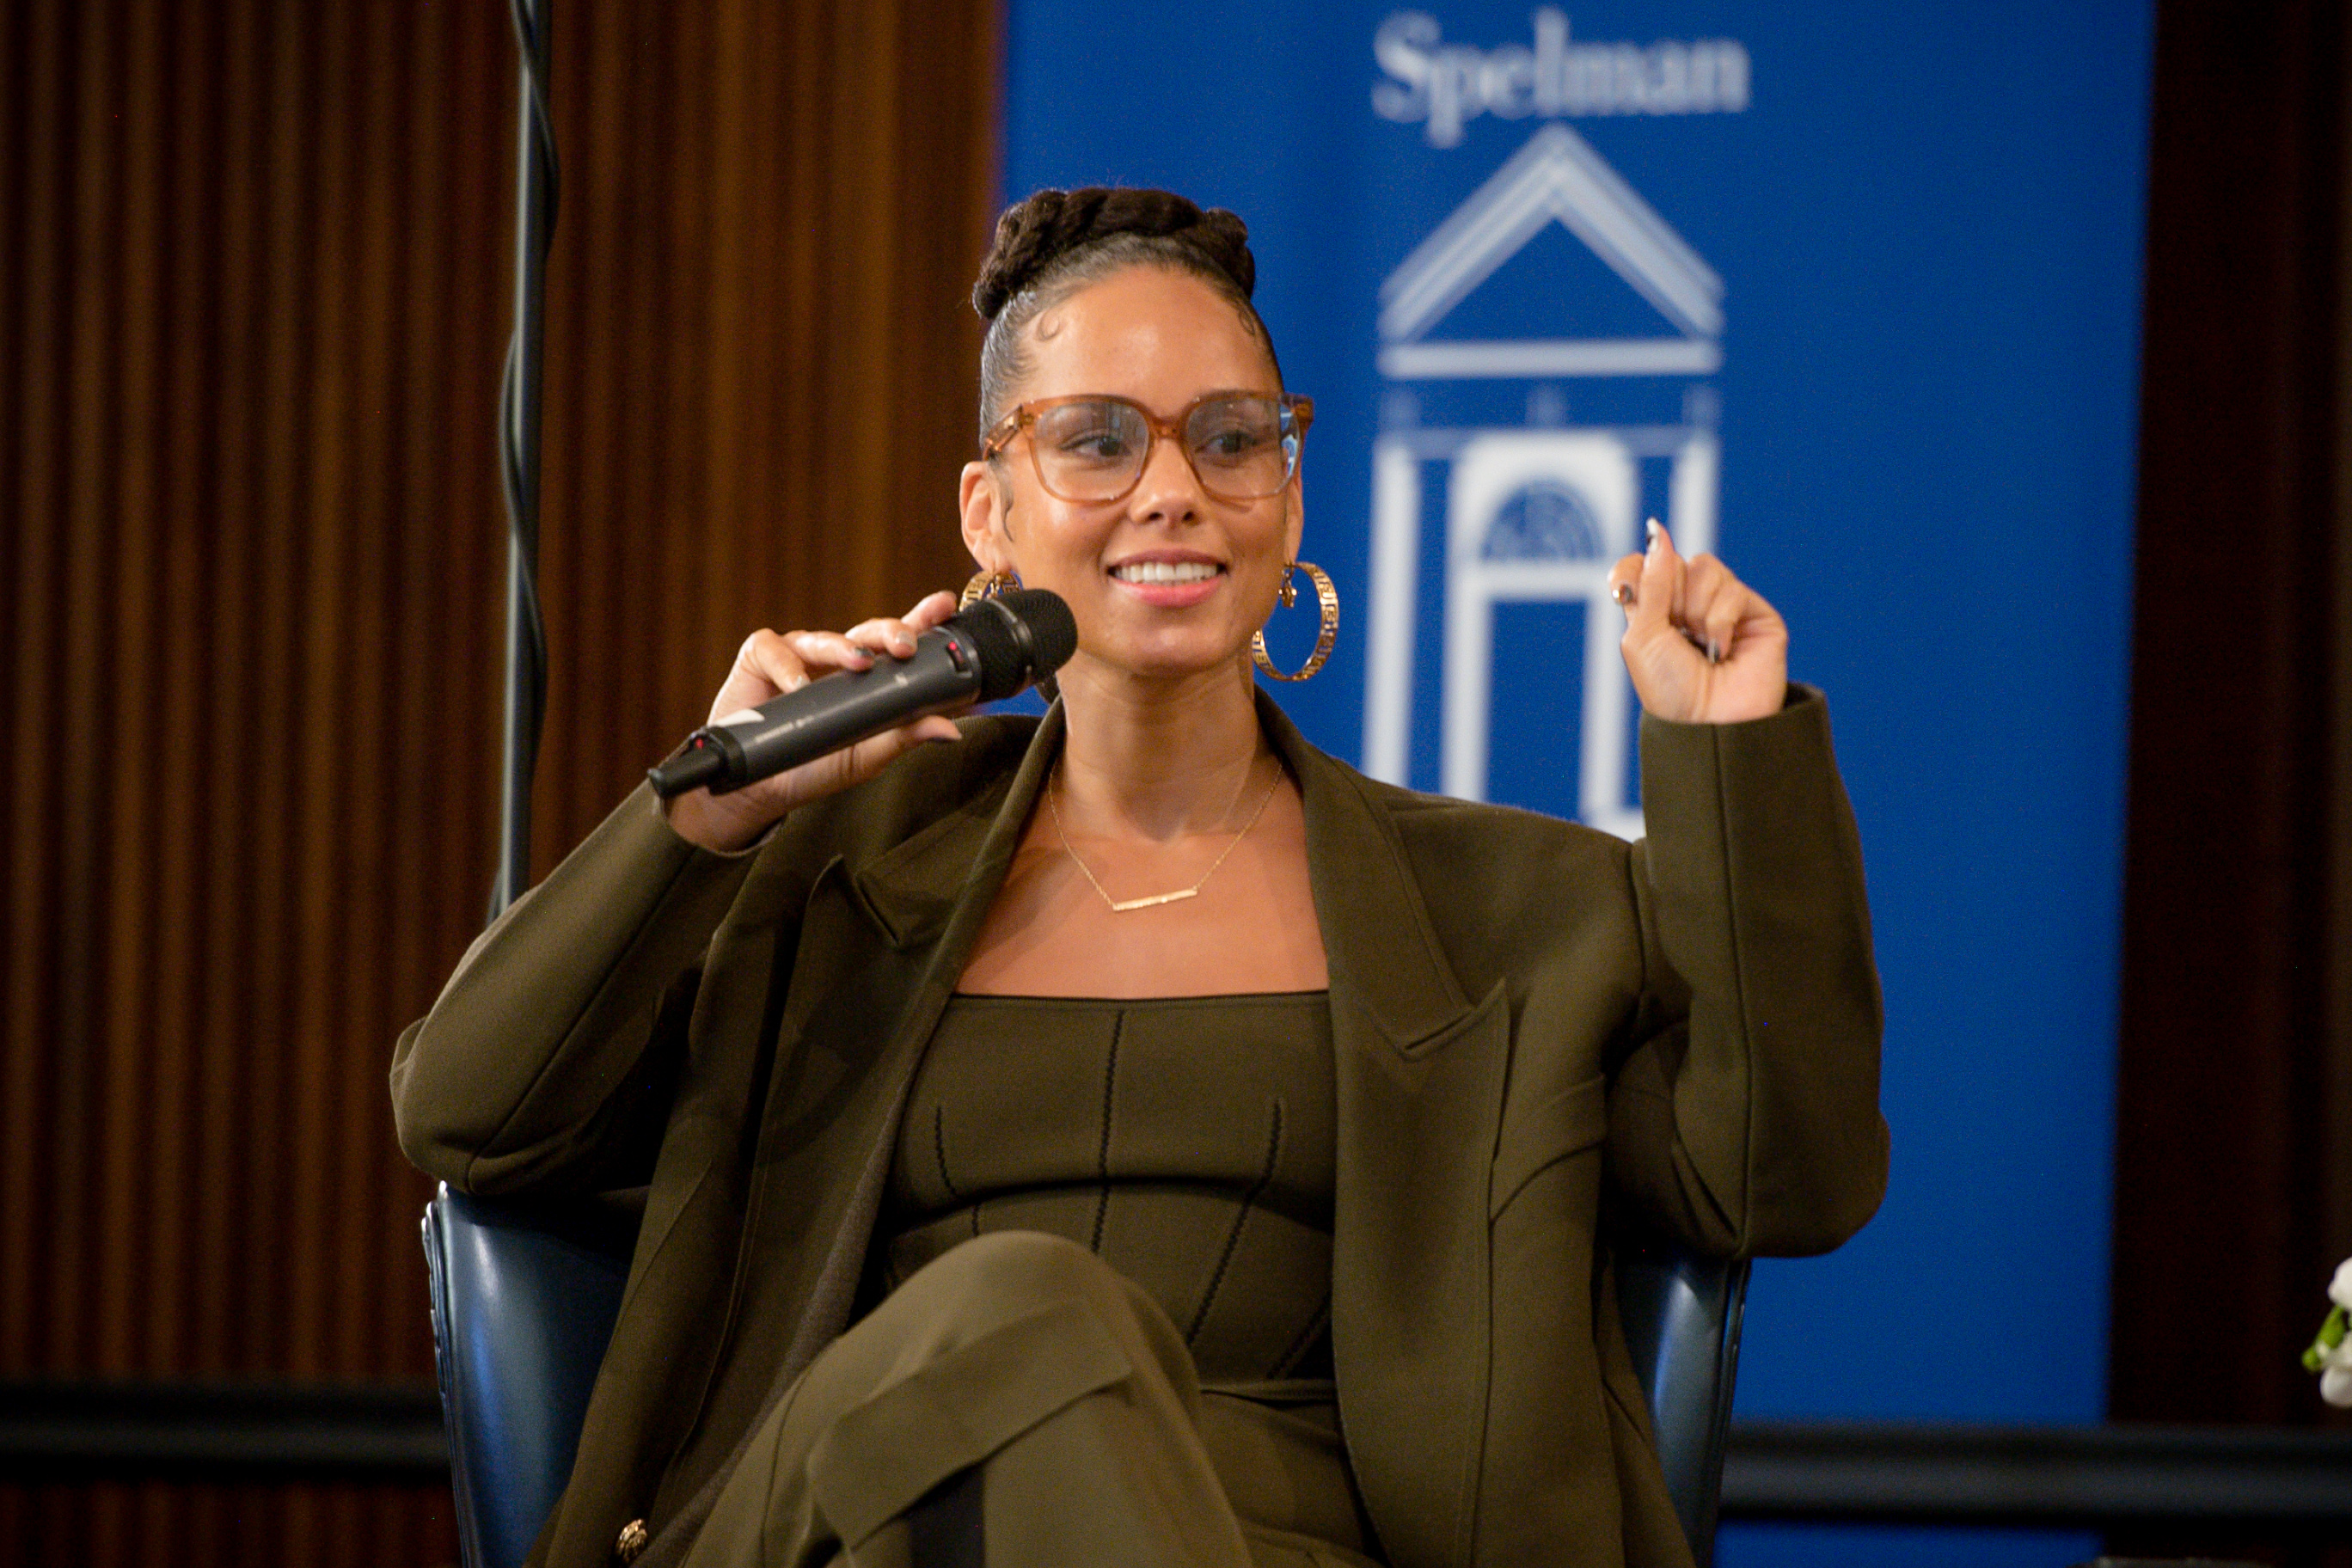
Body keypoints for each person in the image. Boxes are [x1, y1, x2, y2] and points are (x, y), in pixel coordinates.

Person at [394, 187, 1888, 1568]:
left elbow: (1785, 1179)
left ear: (1288, 500)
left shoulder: (1515, 913)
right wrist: (710, 816)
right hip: (864, 1533)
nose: (1173, 489)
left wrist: (1726, 761)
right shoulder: (829, 871)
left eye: (1231, 438)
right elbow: (471, 1113)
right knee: (1022, 1313)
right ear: (991, 512)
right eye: (1099, 439)